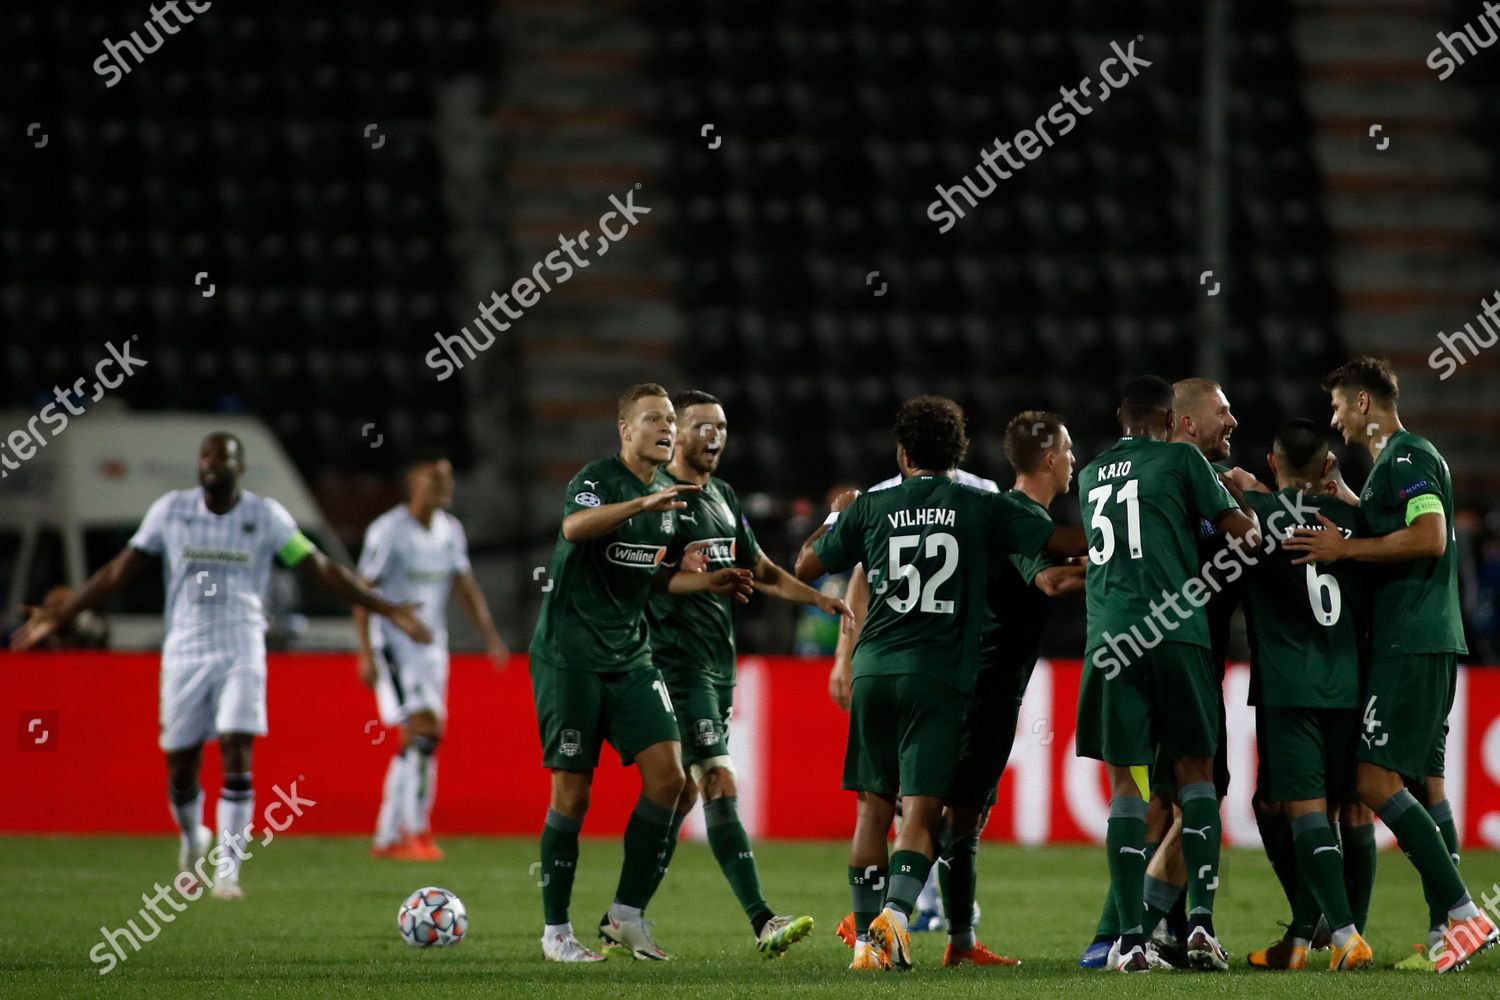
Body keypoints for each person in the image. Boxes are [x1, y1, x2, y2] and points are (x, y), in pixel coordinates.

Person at [10, 432, 432, 899]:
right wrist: (60, 614)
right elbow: (119, 570)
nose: (213, 465)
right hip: (185, 650)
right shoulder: (171, 511)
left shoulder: (265, 517)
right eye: (207, 458)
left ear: (239, 468)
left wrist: (384, 607)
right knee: (181, 765)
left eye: (223, 459)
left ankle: (227, 872)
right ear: (199, 465)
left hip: (242, 648)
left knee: (236, 749)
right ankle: (194, 838)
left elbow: (320, 568)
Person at [794, 395, 1083, 972]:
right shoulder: (980, 503)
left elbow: (806, 566)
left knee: (873, 810)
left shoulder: (872, 505)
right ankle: (893, 924)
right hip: (939, 676)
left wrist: (835, 516)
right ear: (960, 450)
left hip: (873, 669)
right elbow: (1063, 545)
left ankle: (864, 943)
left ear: (902, 453)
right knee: (925, 815)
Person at [1284, 356, 1498, 974]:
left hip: (1412, 640)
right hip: (1427, 639)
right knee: (1426, 783)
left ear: (1362, 405)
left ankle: (1462, 913)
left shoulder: (1405, 456)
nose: (1333, 419)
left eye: (1337, 405)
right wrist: (1352, 502)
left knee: (1374, 781)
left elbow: (1430, 535)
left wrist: (1345, 546)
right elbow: (1401, 526)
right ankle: (1443, 935)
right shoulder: (1391, 468)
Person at [529, 383, 754, 963]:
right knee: (573, 797)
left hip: (630, 657)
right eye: (653, 418)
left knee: (670, 779)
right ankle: (556, 933)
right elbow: (574, 529)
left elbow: (652, 579)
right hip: (570, 658)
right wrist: (638, 505)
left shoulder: (669, 498)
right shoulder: (600, 479)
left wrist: (706, 579)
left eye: (669, 419)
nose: (665, 427)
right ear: (625, 430)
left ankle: (626, 914)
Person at [644, 389, 850, 956]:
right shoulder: (658, 500)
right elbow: (642, 581)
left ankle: (625, 912)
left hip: (716, 662)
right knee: (717, 779)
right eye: (702, 427)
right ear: (674, 433)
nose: (715, 437)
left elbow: (758, 569)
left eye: (723, 427)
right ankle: (762, 919)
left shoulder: (724, 497)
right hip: (675, 658)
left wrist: (816, 598)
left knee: (685, 794)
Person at [1074, 375, 1260, 972]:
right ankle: (1201, 926)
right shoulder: (1183, 460)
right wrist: (1241, 502)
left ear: (1120, 417)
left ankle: (1128, 940)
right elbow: (1246, 536)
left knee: (1128, 790)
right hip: (1174, 631)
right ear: (1169, 418)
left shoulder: (1089, 475)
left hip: (1109, 638)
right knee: (1197, 776)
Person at [1232, 418, 1373, 970]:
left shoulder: (1256, 514)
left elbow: (1234, 503)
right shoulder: (1356, 523)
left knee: (1304, 809)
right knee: (1347, 807)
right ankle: (1307, 937)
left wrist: (1247, 489)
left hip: (1289, 685)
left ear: (1272, 462)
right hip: (1349, 683)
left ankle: (1342, 936)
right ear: (1327, 466)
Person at [356, 451, 510, 861]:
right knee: (427, 730)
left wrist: (490, 636)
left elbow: (464, 585)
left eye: (449, 480)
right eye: (436, 479)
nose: (446, 487)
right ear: (414, 483)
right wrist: (366, 654)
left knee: (419, 737)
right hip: (393, 643)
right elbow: (362, 592)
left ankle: (389, 836)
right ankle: (416, 831)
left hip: (431, 646)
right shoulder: (388, 531)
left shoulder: (450, 530)